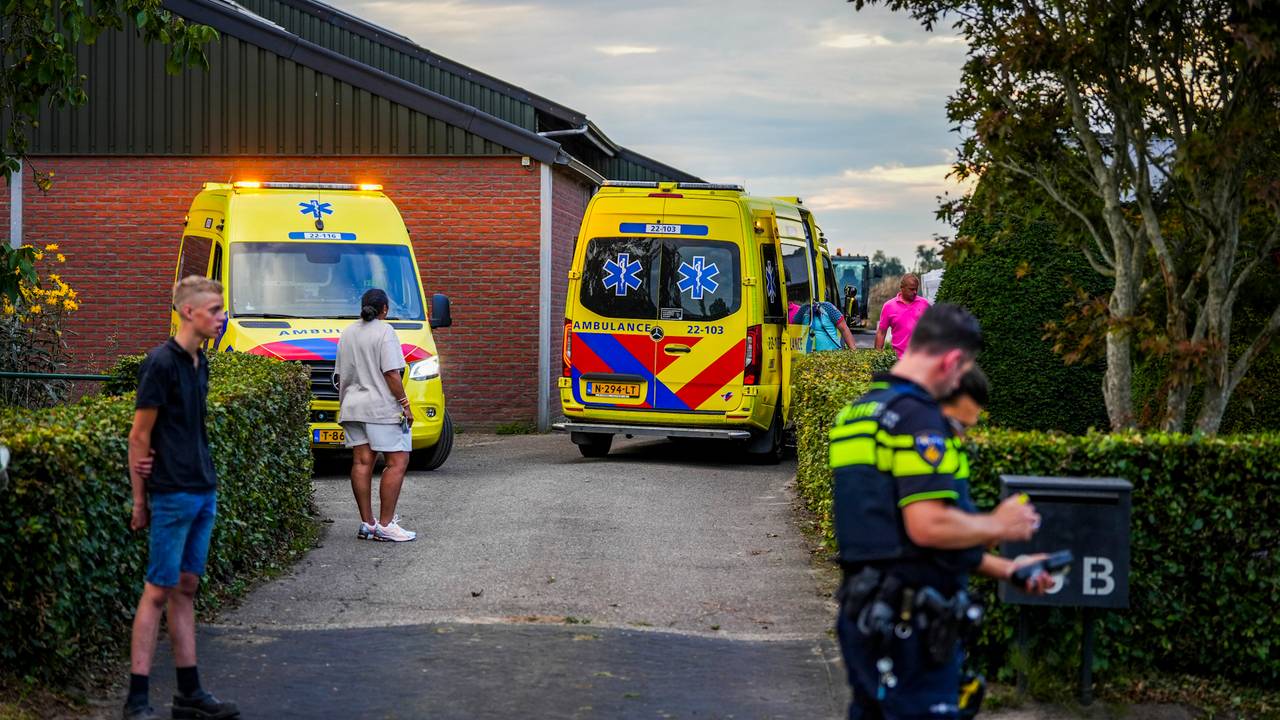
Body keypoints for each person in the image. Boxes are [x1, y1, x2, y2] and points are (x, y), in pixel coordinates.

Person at [829, 304, 1053, 719]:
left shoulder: (857, 411)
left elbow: (894, 538)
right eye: (962, 369)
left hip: (865, 615)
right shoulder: (918, 417)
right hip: (910, 626)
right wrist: (999, 523)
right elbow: (927, 527)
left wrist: (1007, 569)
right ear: (952, 361)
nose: (957, 381)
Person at [125, 276, 239, 720]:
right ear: (188, 312)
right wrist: (141, 501)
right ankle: (136, 699)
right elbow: (140, 436)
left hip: (202, 489)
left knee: (186, 588)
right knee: (157, 590)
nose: (221, 317)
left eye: (221, 309)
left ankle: (188, 695)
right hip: (170, 493)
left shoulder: (200, 363)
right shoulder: (161, 363)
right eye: (214, 309)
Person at [336, 288, 417, 542]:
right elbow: (391, 373)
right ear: (385, 309)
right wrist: (405, 403)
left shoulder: (348, 332)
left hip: (352, 407)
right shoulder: (385, 332)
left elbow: (340, 375)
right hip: (380, 408)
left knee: (361, 462)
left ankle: (368, 524)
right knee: (398, 462)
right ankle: (385, 525)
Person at [875, 273, 930, 358]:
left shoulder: (924, 304)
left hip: (920, 359)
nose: (915, 292)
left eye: (916, 289)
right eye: (911, 289)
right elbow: (881, 333)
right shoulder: (889, 306)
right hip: (898, 360)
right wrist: (877, 356)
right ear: (902, 288)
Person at [794, 299, 858, 351]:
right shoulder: (803, 309)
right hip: (808, 355)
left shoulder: (828, 307)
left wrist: (853, 351)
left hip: (831, 355)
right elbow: (793, 328)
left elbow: (844, 329)